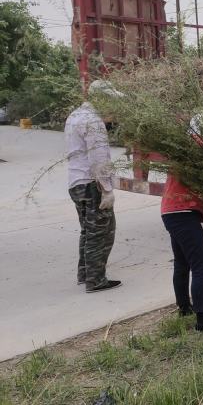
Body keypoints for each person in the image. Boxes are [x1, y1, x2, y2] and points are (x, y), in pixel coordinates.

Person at [160, 114, 203, 332]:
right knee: (202, 265)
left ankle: (184, 307)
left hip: (170, 212)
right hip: (183, 212)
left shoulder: (184, 149)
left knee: (183, 262)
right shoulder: (200, 150)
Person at [65, 80, 122, 293]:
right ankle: (96, 280)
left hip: (76, 183)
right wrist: (106, 190)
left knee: (87, 231)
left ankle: (85, 274)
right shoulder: (93, 121)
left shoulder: (75, 115)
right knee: (102, 232)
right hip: (92, 184)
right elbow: (99, 159)